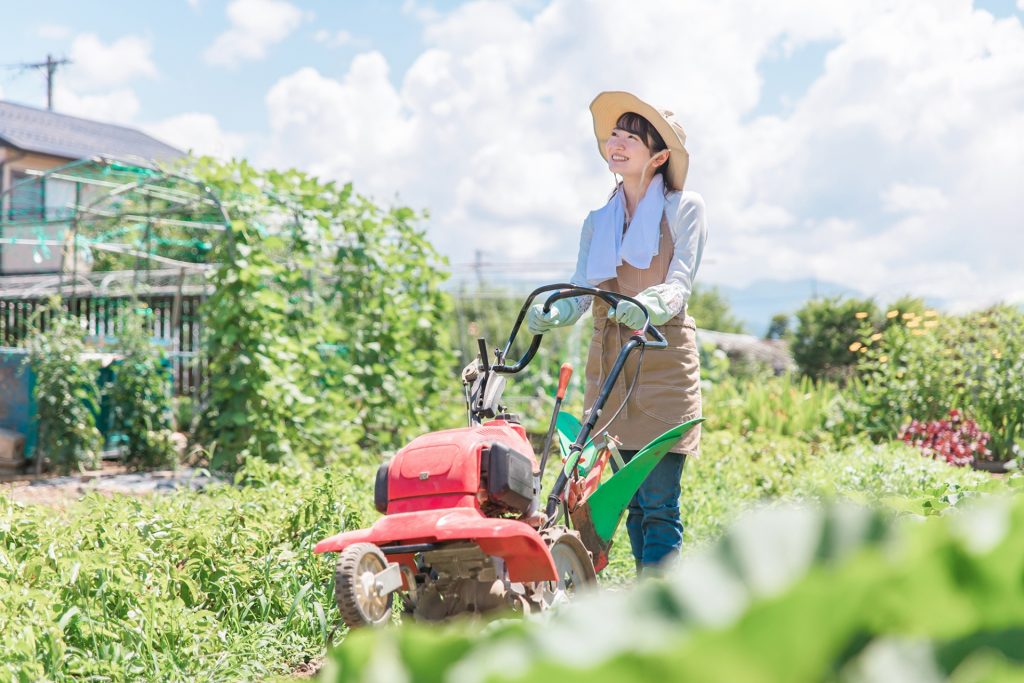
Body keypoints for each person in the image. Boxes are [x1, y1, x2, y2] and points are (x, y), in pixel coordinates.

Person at [527, 91, 708, 574]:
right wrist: (555, 312)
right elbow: (584, 293)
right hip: (610, 363)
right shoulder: (598, 221)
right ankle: (647, 603)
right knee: (623, 500)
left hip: (663, 359)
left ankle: (659, 610)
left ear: (660, 156)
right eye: (615, 134)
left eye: (633, 136)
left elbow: (680, 283)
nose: (618, 143)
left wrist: (651, 304)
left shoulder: (684, 208)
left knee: (659, 501)